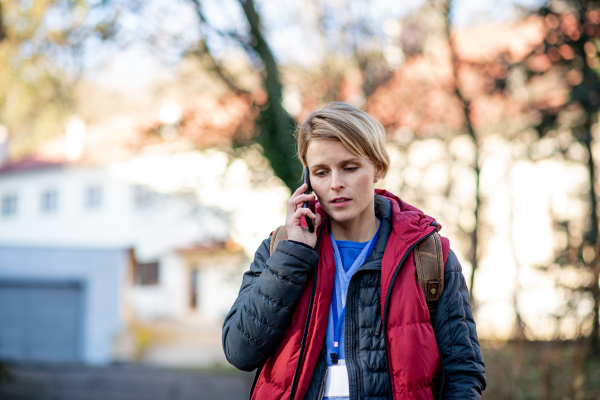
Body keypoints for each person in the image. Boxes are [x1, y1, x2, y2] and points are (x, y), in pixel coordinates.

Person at [222, 102, 486, 400]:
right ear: (307, 180)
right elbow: (239, 352)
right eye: (321, 172)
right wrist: (293, 256)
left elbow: (463, 373)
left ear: (378, 167)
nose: (336, 184)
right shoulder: (278, 250)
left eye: (349, 168)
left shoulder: (427, 256)